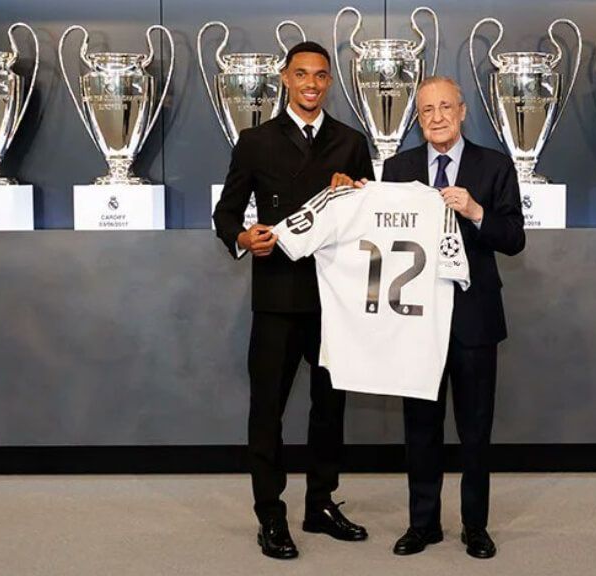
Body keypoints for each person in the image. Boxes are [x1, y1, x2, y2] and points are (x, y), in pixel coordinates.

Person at [213, 41, 375, 560]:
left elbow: (369, 214)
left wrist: (356, 190)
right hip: (278, 295)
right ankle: (270, 513)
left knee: (330, 407)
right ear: (285, 78)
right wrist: (242, 238)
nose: (311, 83)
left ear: (330, 83)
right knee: (268, 411)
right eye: (301, 74)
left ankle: (321, 504)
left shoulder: (350, 141)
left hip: (334, 297)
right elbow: (226, 214)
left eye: (321, 76)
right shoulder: (255, 140)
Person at [382, 76, 526, 559]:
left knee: (475, 428)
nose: (437, 116)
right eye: (427, 110)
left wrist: (477, 210)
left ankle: (475, 526)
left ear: (463, 112)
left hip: (474, 318)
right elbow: (382, 237)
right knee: (419, 427)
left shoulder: (495, 165)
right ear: (417, 118)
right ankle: (422, 525)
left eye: (446, 107)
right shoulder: (396, 168)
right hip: (415, 319)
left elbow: (513, 237)